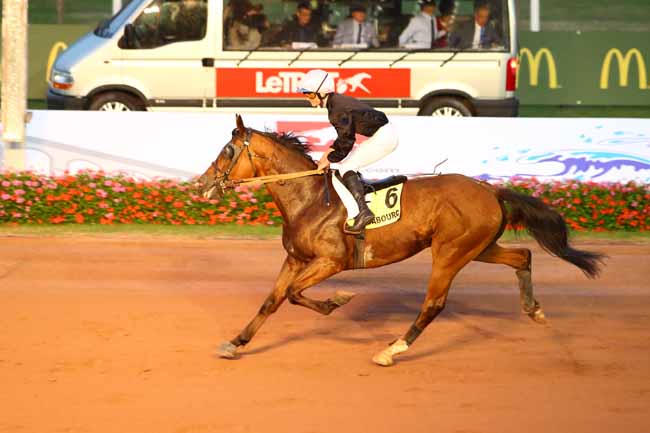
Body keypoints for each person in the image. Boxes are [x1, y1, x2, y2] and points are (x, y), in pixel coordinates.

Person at [298, 69, 399, 234]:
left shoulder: (337, 109)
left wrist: (329, 158)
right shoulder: (336, 103)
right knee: (341, 169)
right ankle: (358, 210)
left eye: (309, 94)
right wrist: (327, 156)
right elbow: (343, 138)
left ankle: (363, 213)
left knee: (345, 168)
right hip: (382, 134)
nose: (307, 98)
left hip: (384, 137)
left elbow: (346, 141)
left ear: (322, 92)